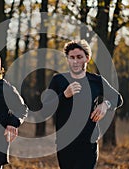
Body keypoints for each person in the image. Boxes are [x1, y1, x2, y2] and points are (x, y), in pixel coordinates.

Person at [42, 40, 123, 169]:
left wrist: (105, 104)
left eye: (79, 57)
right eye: (72, 57)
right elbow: (46, 108)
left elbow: (117, 98)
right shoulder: (58, 80)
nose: (75, 61)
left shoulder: (96, 81)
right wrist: (64, 95)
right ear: (67, 59)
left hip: (88, 142)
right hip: (65, 143)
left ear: (87, 58)